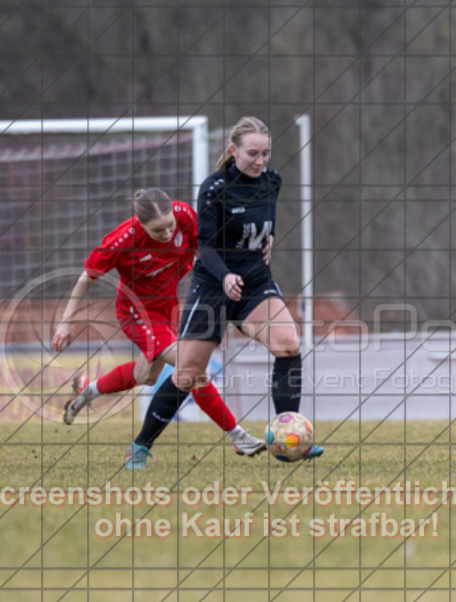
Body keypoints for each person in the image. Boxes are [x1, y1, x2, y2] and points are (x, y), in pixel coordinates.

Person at [125, 117, 323, 469]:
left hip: (255, 284)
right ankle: (140, 447)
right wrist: (226, 275)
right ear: (233, 151)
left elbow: (266, 225)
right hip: (214, 285)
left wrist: (270, 238)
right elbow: (207, 246)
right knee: (187, 374)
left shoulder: (272, 181)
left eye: (266, 153)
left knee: (289, 344)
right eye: (252, 153)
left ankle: (289, 436)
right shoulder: (214, 188)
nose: (260, 161)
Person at [52, 188, 265, 458]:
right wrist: (66, 322)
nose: (167, 234)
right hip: (136, 312)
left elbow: (205, 248)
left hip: (167, 308)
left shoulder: (184, 214)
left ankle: (88, 391)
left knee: (147, 376)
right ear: (140, 224)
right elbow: (87, 277)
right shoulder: (120, 241)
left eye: (169, 227)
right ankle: (238, 436)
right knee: (192, 368)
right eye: (157, 231)